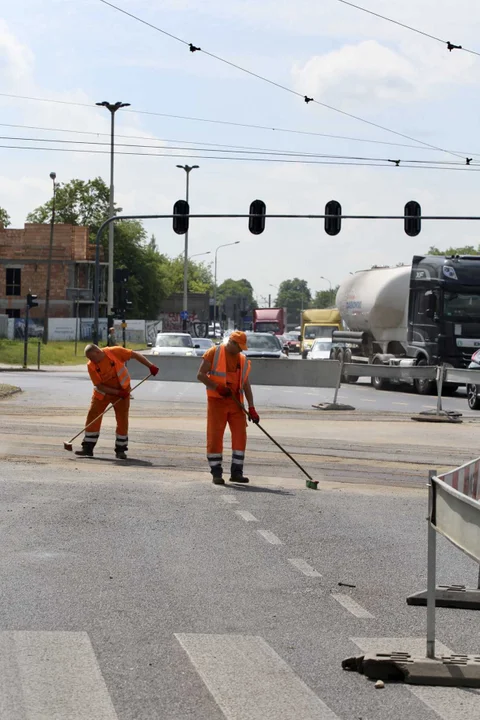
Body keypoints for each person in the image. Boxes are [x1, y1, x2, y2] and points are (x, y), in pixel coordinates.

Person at [197, 330, 260, 485]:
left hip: (236, 403)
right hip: (217, 402)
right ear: (231, 342)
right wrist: (216, 387)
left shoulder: (242, 360)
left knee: (240, 436)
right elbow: (200, 375)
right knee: (215, 436)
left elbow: (246, 384)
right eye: (239, 347)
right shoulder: (214, 352)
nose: (240, 350)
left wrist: (251, 408)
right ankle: (216, 472)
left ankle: (237, 472)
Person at [76, 344, 159, 460]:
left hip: (122, 390)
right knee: (93, 416)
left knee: (122, 419)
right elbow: (99, 386)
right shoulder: (91, 366)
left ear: (97, 352)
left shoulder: (114, 352)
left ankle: (121, 449)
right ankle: (88, 448)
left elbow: (134, 355)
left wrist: (150, 366)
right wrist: (117, 393)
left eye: (91, 358)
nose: (91, 361)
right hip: (103, 394)